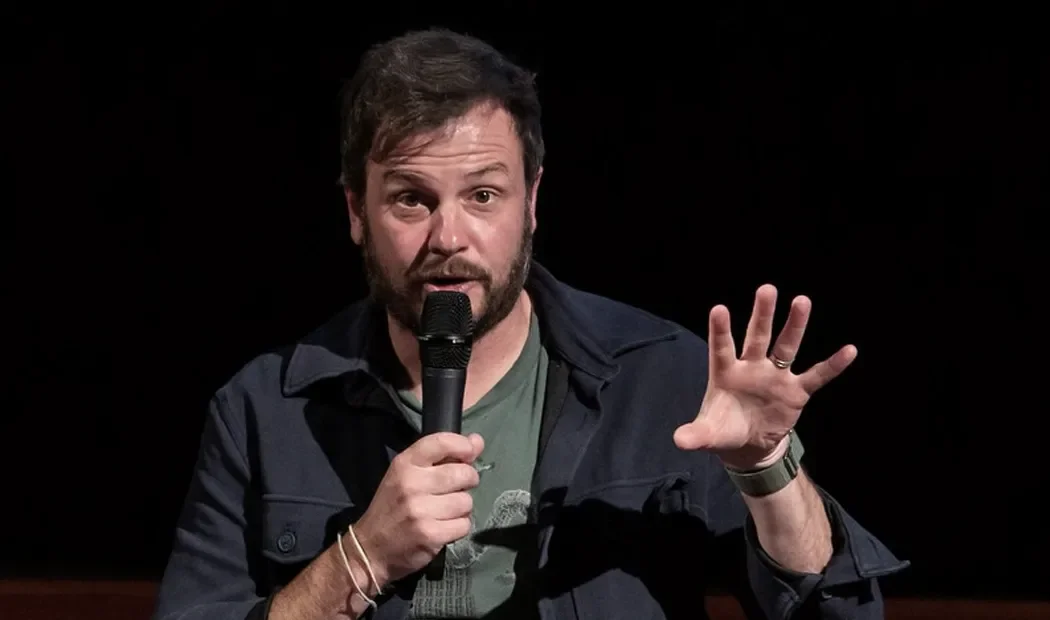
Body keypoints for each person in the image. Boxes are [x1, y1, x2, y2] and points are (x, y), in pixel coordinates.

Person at [152, 28, 908, 620]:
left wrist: (767, 469)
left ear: (532, 202)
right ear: (356, 212)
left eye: (483, 196)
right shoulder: (261, 410)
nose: (449, 236)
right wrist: (362, 556)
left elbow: (836, 612)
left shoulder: (662, 378)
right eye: (411, 199)